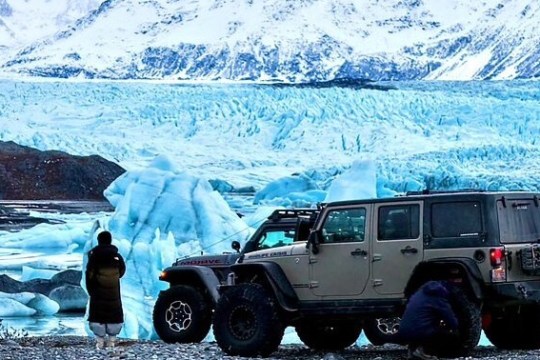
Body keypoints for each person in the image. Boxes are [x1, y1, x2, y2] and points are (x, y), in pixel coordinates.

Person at [398, 280, 459, 360]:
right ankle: (424, 352)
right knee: (450, 335)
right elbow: (452, 321)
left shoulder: (419, 293)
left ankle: (412, 351)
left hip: (403, 331)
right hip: (418, 331)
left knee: (421, 324)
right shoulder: (439, 298)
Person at [85, 230, 126, 350]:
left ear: (99, 241)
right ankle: (112, 341)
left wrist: (91, 289)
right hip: (113, 291)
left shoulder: (94, 256)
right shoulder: (117, 256)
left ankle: (100, 341)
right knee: (114, 313)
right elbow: (122, 271)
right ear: (110, 240)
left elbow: (89, 274)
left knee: (98, 315)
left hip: (98, 291)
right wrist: (113, 278)